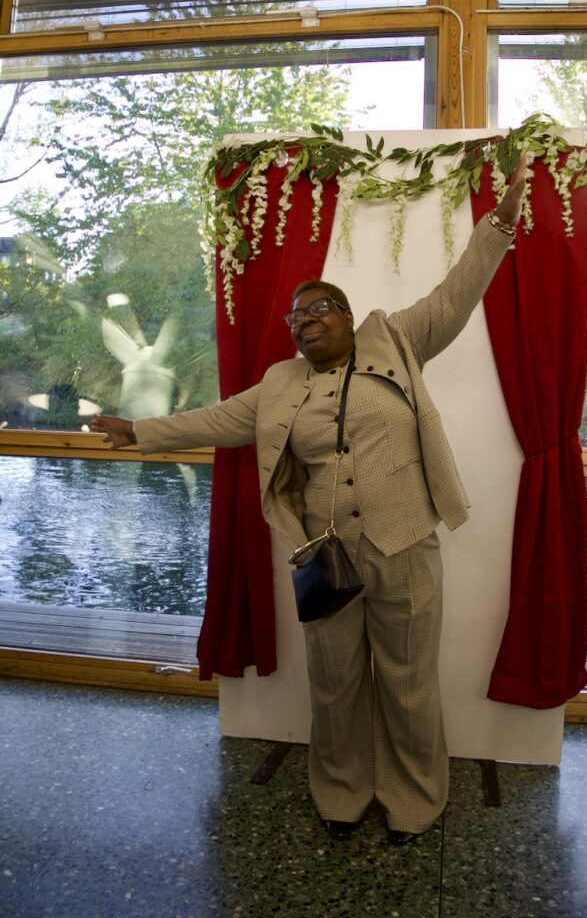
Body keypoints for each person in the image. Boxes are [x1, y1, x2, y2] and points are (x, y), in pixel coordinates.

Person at [91, 157, 526, 846]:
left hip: (404, 543)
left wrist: (497, 225)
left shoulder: (397, 338)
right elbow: (218, 420)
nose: (304, 321)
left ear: (347, 316)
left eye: (318, 308)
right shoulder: (280, 382)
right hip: (322, 554)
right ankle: (342, 791)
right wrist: (141, 431)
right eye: (295, 317)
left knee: (408, 682)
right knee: (334, 681)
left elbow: (457, 292)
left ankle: (414, 798)